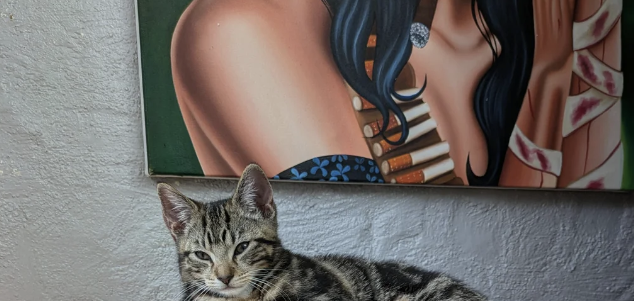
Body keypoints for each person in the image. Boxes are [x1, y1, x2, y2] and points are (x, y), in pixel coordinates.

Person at [170, 0, 623, 188]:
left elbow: (561, 270)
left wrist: (552, 72)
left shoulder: (546, 33)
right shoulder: (243, 27)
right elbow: (381, 281)